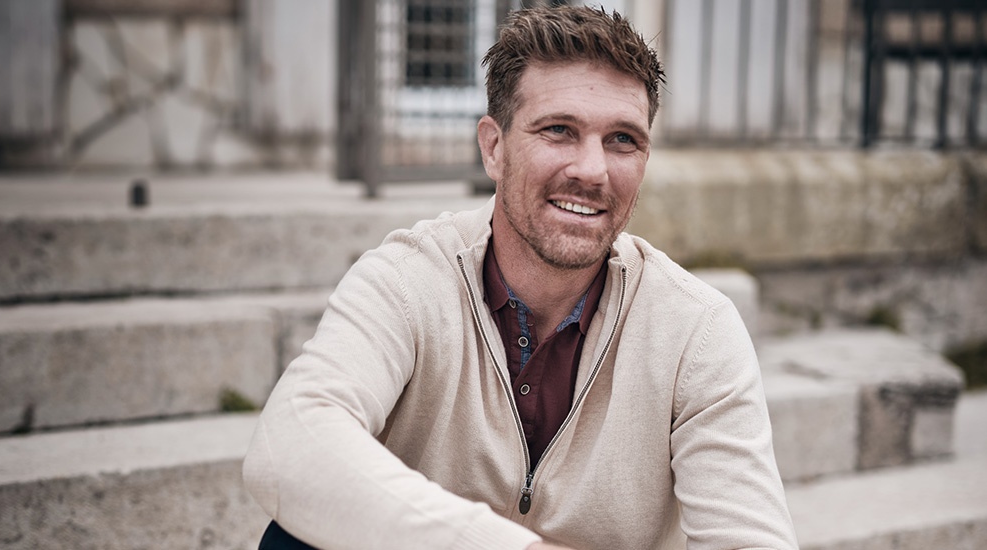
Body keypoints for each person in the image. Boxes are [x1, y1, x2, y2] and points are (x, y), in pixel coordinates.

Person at [243, 6, 798, 549]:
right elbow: (292, 446)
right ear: (494, 148)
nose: (592, 171)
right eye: (559, 130)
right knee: (295, 538)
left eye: (622, 140)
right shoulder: (407, 281)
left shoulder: (696, 331)